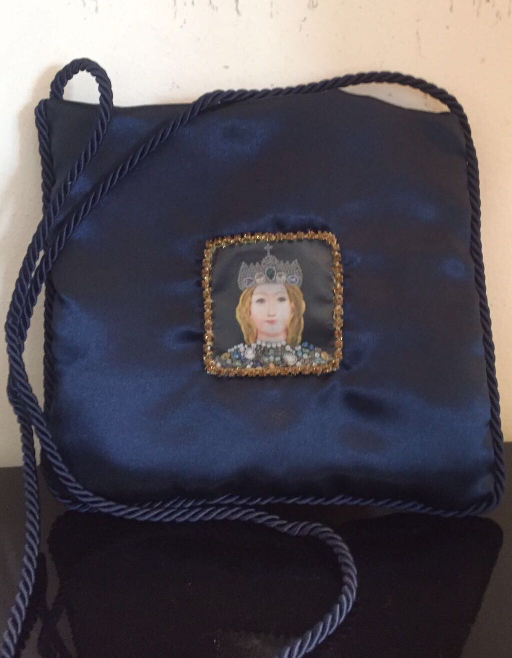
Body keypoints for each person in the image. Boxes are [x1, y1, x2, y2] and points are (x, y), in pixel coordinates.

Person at [214, 243, 331, 370]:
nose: (271, 311)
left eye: (281, 299)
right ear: (248, 309)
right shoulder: (231, 361)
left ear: (292, 308)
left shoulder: (314, 359)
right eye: (261, 301)